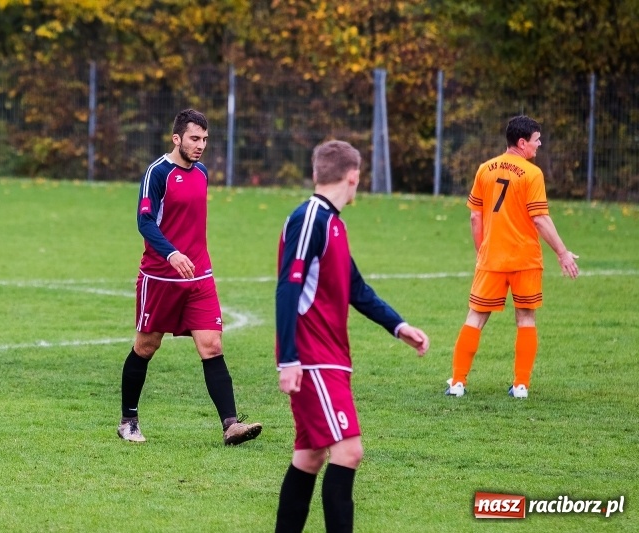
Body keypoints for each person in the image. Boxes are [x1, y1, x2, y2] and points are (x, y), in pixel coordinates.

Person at [274, 140, 429, 533]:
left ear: (315, 173)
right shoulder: (311, 217)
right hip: (313, 359)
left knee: (310, 456)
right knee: (349, 451)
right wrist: (289, 359)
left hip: (329, 358)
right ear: (354, 177)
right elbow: (288, 288)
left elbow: (356, 288)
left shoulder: (333, 224)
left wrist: (398, 325)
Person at [117, 108, 262, 446]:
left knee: (212, 346)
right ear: (177, 138)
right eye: (195, 139)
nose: (201, 145)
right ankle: (128, 421)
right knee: (146, 346)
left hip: (199, 277)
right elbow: (145, 222)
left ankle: (230, 426)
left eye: (205, 139)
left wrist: (190, 257)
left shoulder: (202, 173)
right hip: (161, 278)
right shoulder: (157, 173)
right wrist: (171, 253)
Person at [445, 115, 579, 399]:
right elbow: (540, 219)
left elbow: (474, 216)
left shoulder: (485, 169)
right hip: (525, 260)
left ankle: (457, 383)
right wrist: (562, 252)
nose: (539, 145)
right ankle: (520, 386)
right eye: (536, 140)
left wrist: (483, 250)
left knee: (475, 318)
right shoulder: (532, 174)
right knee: (526, 318)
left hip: (492, 258)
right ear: (522, 143)